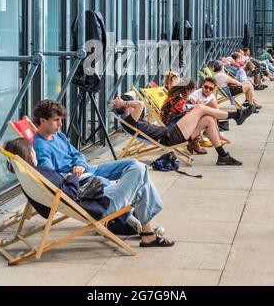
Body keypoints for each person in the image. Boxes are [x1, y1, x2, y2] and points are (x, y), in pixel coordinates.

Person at [32, 99, 174, 248]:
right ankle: (144, 229)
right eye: (56, 120)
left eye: (61, 120)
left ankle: (137, 225)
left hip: (87, 170)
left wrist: (79, 164)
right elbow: (51, 176)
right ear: (42, 120)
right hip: (82, 183)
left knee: (134, 164)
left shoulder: (58, 135)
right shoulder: (40, 146)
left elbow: (77, 154)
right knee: (139, 174)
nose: (60, 124)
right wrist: (73, 176)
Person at [113, 93, 254, 167]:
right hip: (169, 137)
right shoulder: (129, 120)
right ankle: (237, 115)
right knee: (199, 108)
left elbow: (138, 104)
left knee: (208, 120)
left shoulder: (132, 119)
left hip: (171, 133)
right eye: (129, 105)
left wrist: (124, 104)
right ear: (128, 108)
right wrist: (124, 103)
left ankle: (223, 157)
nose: (132, 106)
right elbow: (140, 104)